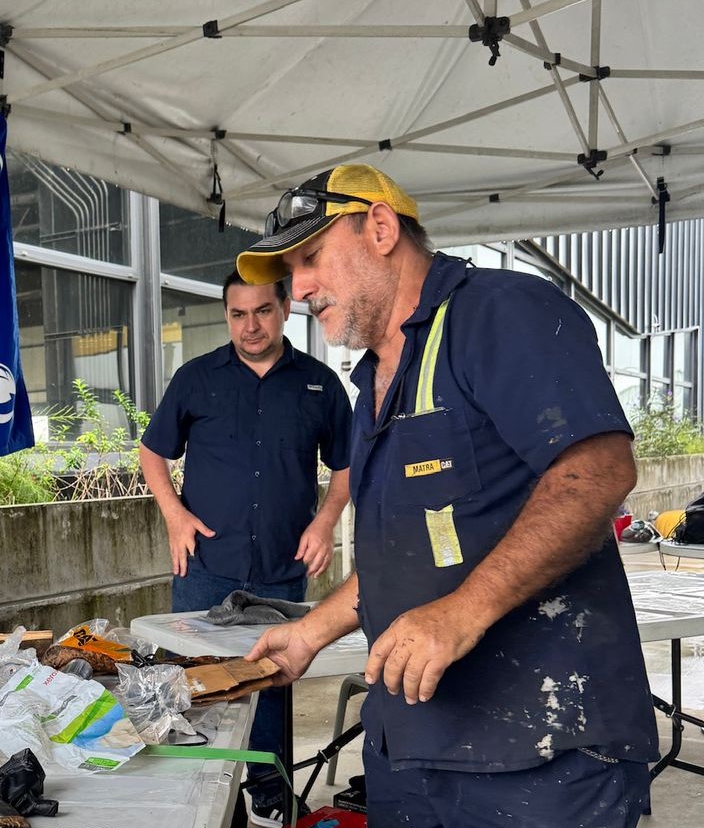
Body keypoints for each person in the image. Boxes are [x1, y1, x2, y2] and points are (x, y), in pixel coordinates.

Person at [237, 164, 658, 827]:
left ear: (380, 227)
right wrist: (309, 635)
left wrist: (463, 610)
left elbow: (596, 472)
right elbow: (404, 551)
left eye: (312, 258)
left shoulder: (500, 312)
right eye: (291, 273)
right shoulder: (375, 380)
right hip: (413, 751)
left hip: (537, 753)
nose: (301, 290)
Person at [140, 270, 352, 826]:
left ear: (285, 308)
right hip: (207, 565)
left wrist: (326, 519)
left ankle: (271, 790)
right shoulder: (196, 379)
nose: (250, 325)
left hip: (282, 570)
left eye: (262, 311)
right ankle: (205, 793)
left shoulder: (320, 384)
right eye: (238, 314)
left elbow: (348, 464)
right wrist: (174, 515)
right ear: (226, 315)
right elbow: (152, 452)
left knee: (273, 683)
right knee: (198, 681)